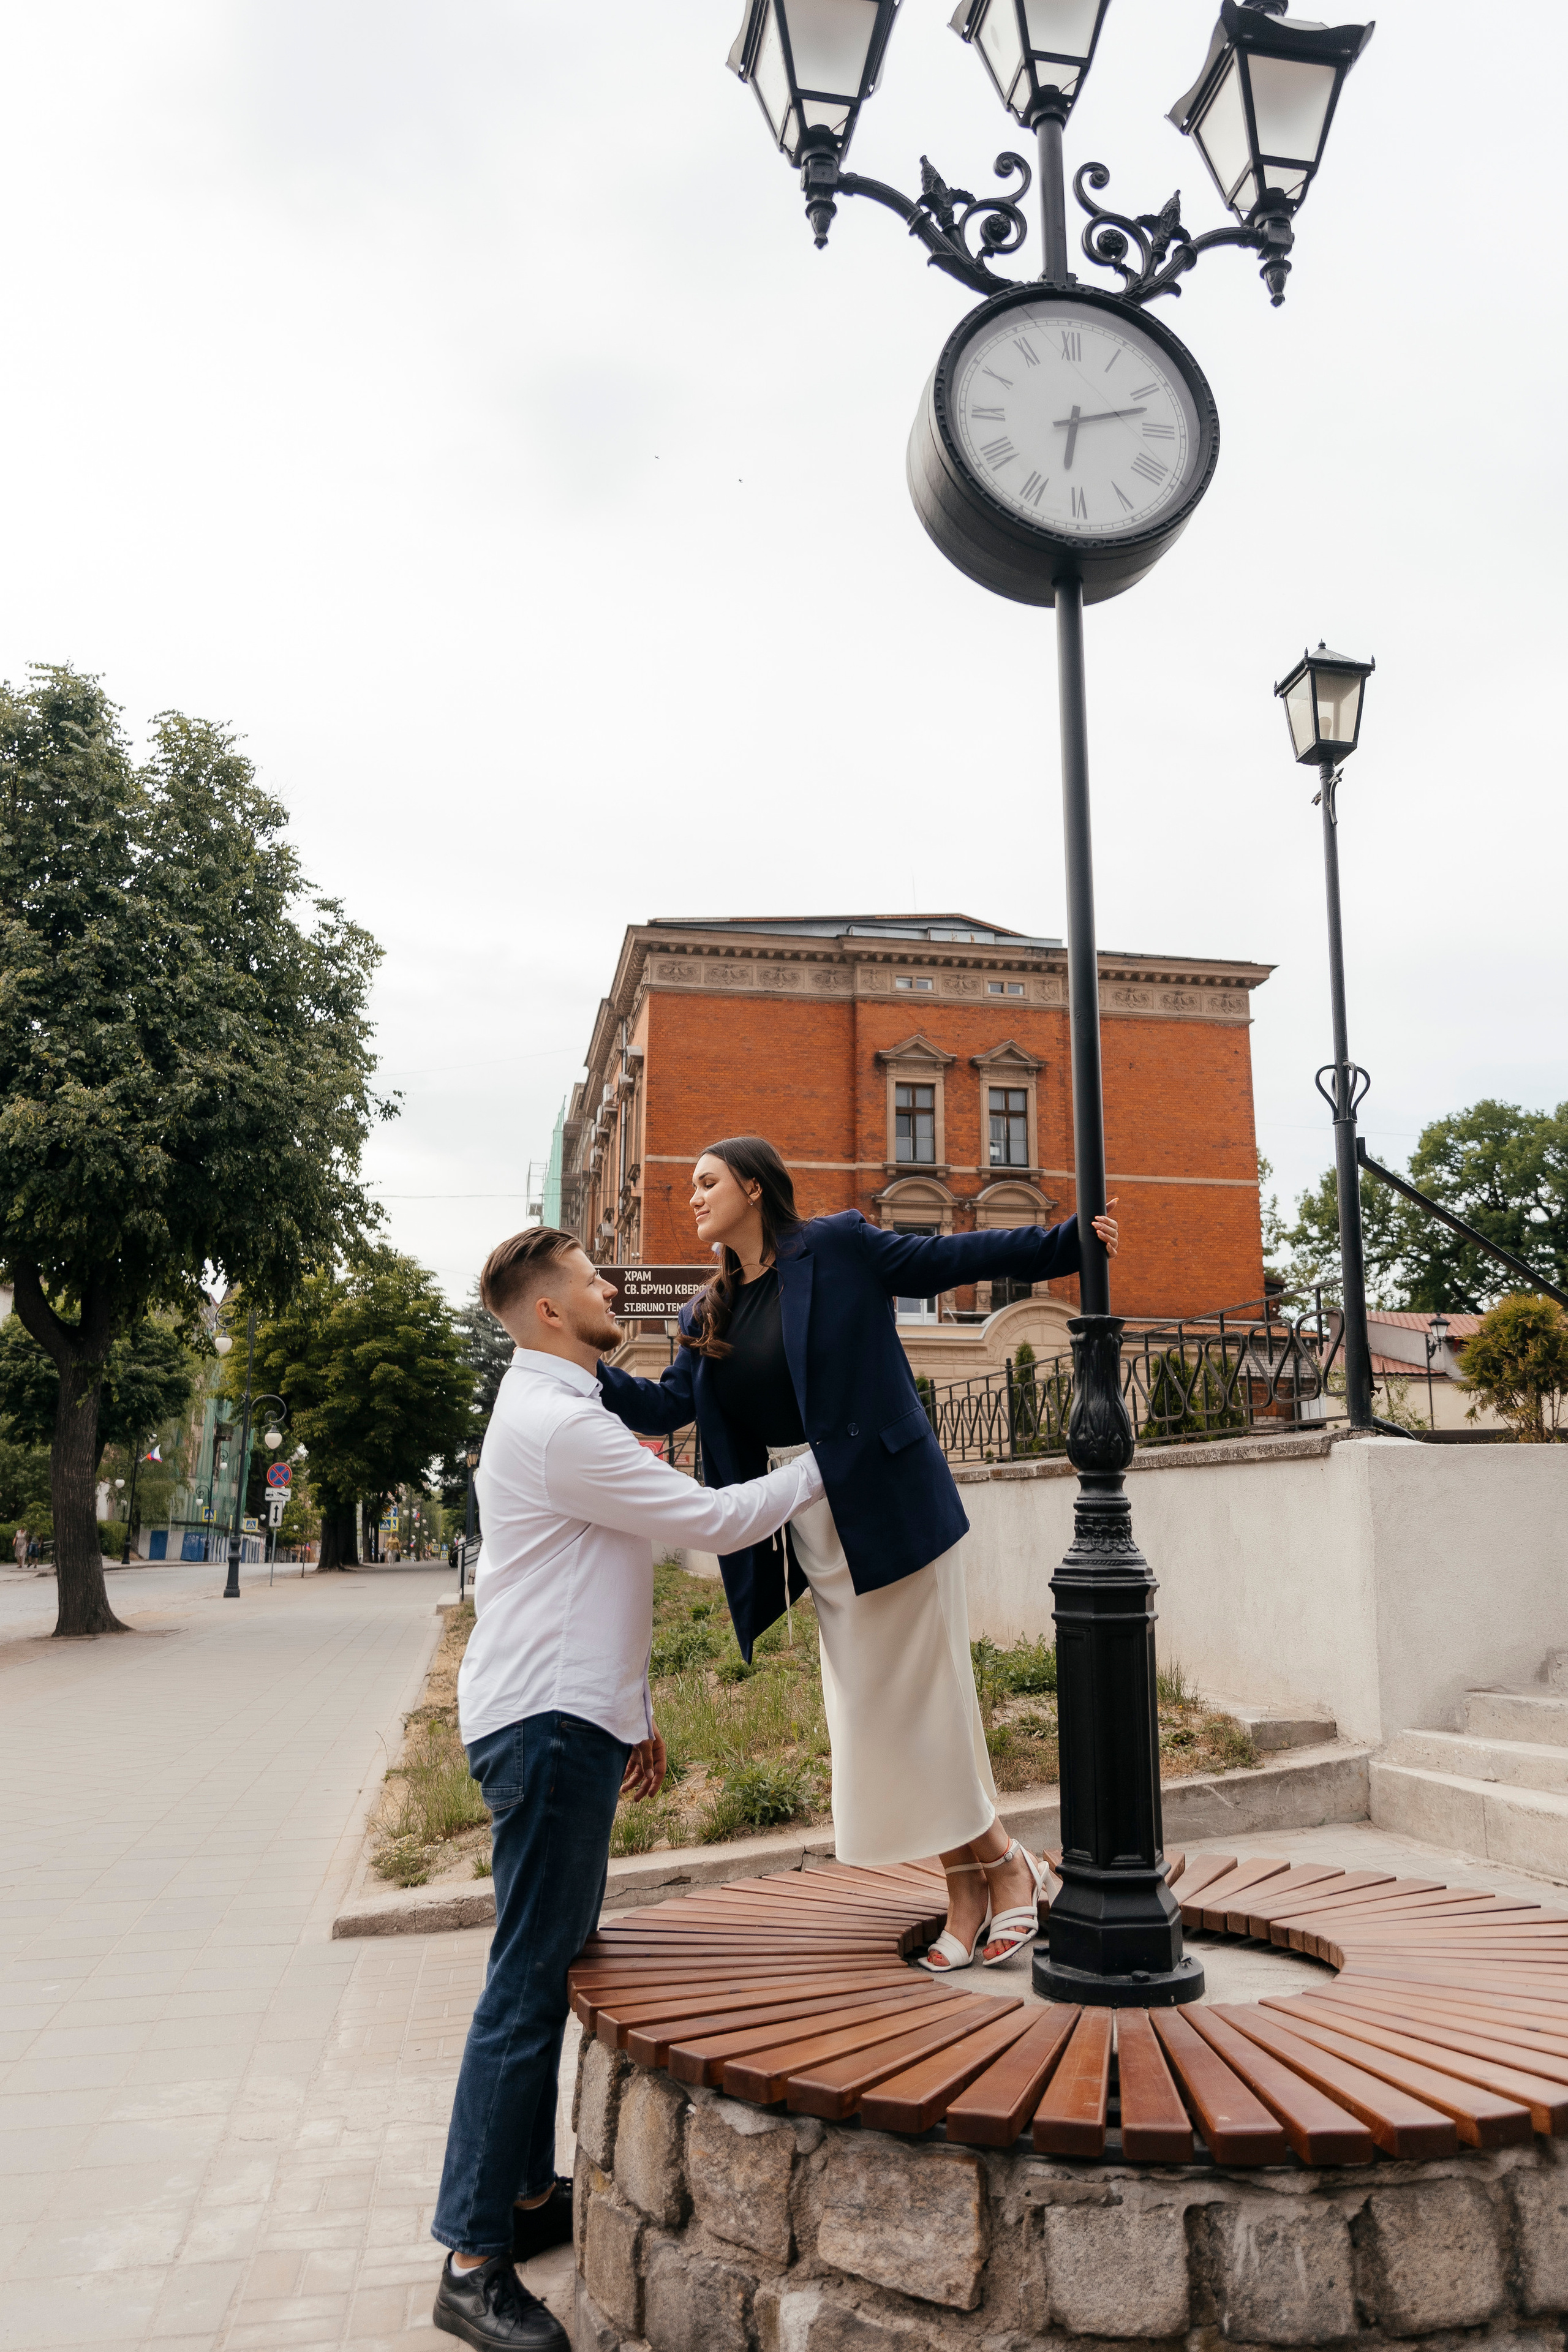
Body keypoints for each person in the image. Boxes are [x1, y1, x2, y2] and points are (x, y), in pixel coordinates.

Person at [431, 1224, 825, 2352]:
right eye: (593, 1282)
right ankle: (471, 2261)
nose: (611, 1288)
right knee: (524, 1987)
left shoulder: (562, 1406)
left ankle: (515, 2197)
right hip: (546, 1727)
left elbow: (586, 1570)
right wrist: (823, 1462)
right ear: (549, 1311)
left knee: (536, 1969)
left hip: (564, 1714)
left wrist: (631, 1706)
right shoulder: (559, 1423)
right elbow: (705, 1521)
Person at [597, 1137, 1120, 1975]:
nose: (691, 1198)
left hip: (892, 1504)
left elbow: (947, 1259)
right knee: (879, 1716)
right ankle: (1002, 1871)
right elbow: (667, 1404)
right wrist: (572, 1368)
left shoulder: (835, 1246)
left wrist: (1068, 1245)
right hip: (815, 1528)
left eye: (706, 1183)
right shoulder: (705, 1312)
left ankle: (990, 1883)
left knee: (926, 1701)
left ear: (755, 1187)